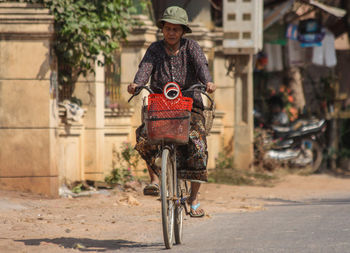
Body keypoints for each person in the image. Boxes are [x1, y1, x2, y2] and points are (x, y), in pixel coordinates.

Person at [127, 6, 216, 218]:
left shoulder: (192, 48)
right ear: (163, 29)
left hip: (189, 105)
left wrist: (208, 82)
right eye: (168, 28)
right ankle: (155, 181)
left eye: (176, 29)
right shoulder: (154, 49)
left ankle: (193, 199)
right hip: (160, 104)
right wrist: (136, 84)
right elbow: (144, 70)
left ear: (183, 31)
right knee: (144, 136)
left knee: (198, 144)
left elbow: (203, 68)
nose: (171, 32)